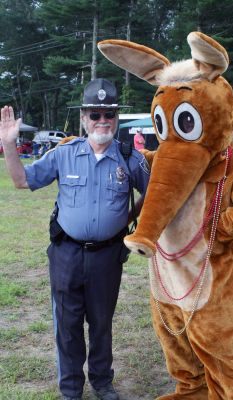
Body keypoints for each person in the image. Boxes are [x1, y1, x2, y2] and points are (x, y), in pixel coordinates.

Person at [0, 78, 150, 400]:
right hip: (66, 254)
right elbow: (21, 180)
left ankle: (102, 382)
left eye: (108, 114)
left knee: (101, 323)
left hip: (108, 257)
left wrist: (128, 218)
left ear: (117, 118)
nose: (101, 121)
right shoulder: (63, 153)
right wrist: (10, 145)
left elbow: (155, 193)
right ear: (83, 118)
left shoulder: (130, 158)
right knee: (67, 326)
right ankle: (70, 389)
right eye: (94, 114)